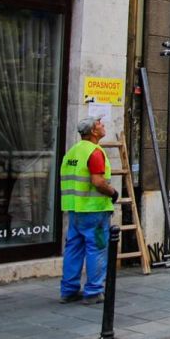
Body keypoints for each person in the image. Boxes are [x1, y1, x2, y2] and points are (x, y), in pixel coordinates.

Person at [59, 115, 118, 304]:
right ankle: (93, 291)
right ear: (93, 131)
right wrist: (113, 192)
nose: (103, 126)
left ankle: (68, 290)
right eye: (100, 124)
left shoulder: (72, 152)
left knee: (73, 249)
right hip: (94, 209)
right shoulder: (95, 152)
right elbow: (98, 181)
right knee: (97, 248)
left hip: (74, 209)